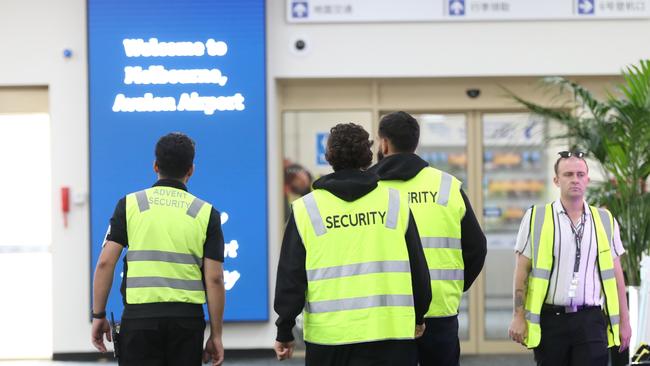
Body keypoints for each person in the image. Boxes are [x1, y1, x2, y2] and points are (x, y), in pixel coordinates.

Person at [274, 122, 432, 366]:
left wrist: (284, 329)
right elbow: (417, 266)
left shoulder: (307, 208)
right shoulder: (395, 202)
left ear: (329, 157)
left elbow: (290, 276)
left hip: (329, 339)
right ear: (368, 156)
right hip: (389, 334)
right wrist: (419, 315)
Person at [90, 132, 225, 366]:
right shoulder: (206, 213)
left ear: (155, 166)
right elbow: (215, 279)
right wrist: (216, 335)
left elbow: (104, 263)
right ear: (191, 169)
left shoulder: (130, 205)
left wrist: (98, 314)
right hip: (187, 322)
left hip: (139, 321)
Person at [369, 111, 487, 366]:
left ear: (384, 143)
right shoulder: (447, 186)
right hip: (439, 307)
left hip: (386, 310)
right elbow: (477, 246)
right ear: (415, 143)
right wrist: (455, 284)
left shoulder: (369, 187)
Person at [508, 150, 632, 366]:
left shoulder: (604, 220)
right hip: (551, 321)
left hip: (591, 320)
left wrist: (625, 320)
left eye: (580, 174)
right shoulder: (536, 217)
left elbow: (616, 274)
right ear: (556, 180)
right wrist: (518, 316)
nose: (575, 179)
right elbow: (521, 271)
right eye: (568, 174)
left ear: (587, 179)